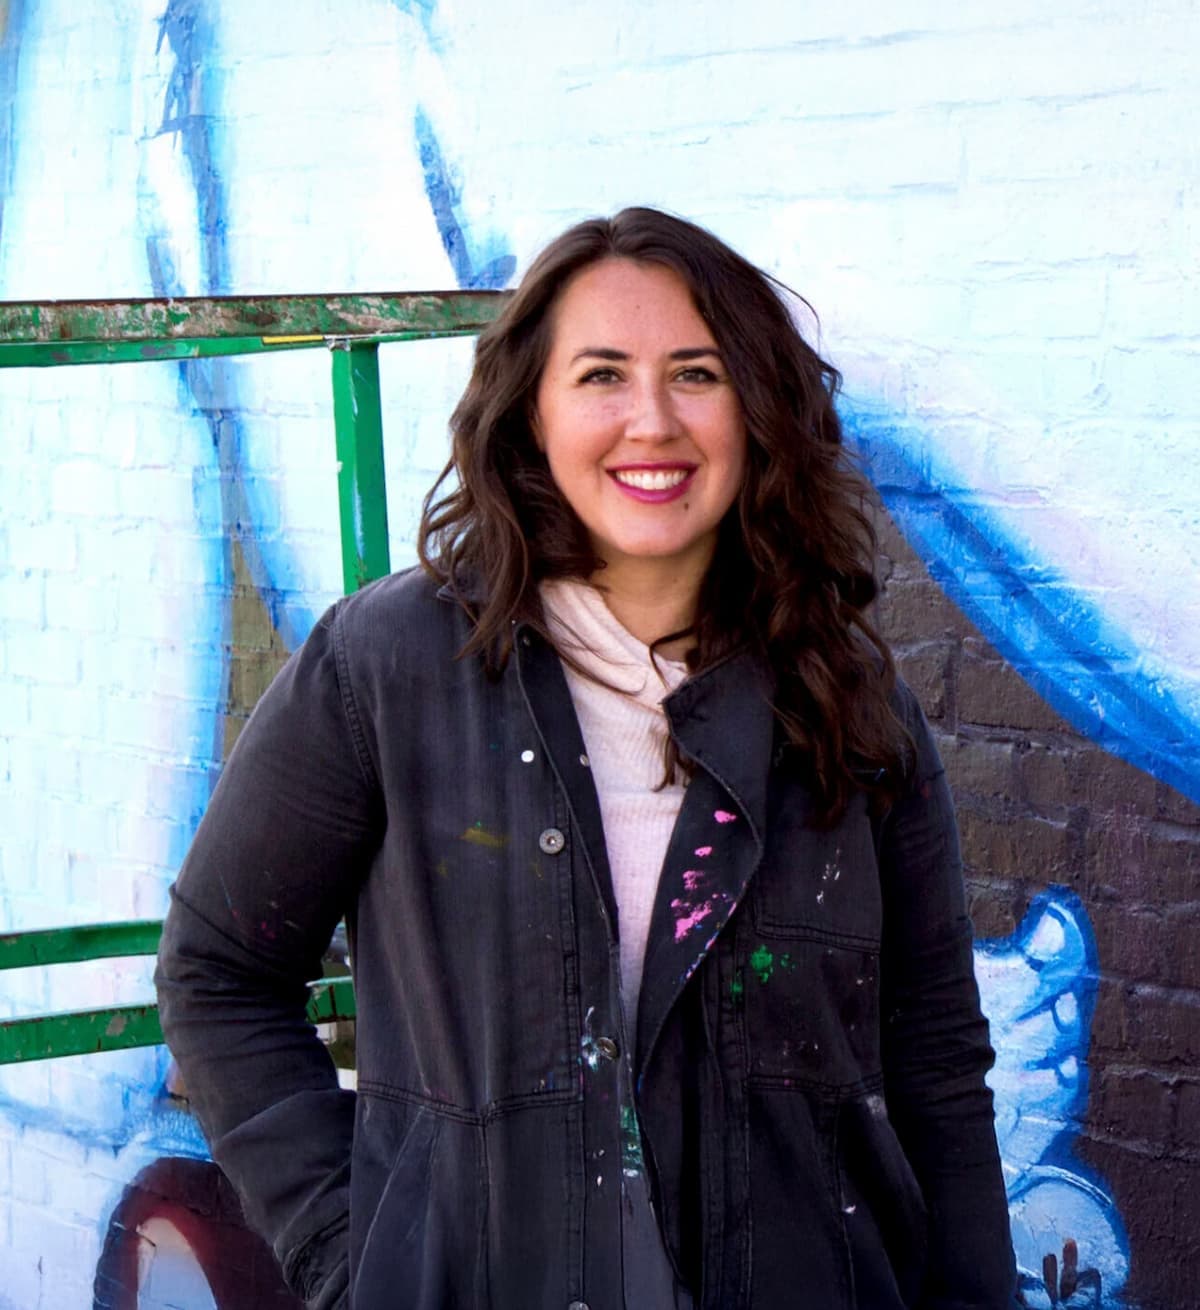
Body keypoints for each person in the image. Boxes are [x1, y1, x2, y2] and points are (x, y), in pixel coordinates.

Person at [156, 207, 1017, 1309]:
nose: (650, 421)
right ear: (531, 414)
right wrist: (350, 1246)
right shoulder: (388, 668)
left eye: (697, 374)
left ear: (758, 409)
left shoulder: (851, 708)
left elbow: (937, 1055)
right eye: (602, 375)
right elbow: (217, 970)